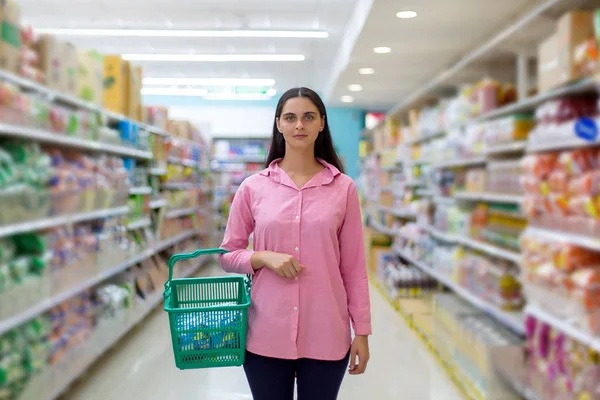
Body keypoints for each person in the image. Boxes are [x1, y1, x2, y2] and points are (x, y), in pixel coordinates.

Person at [219, 87, 372, 400]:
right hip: (265, 333)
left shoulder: (343, 189)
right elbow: (227, 254)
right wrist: (261, 257)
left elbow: (354, 269)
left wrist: (363, 332)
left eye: (308, 117)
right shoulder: (253, 187)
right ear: (279, 124)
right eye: (290, 117)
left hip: (327, 333)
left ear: (321, 124)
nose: (299, 125)